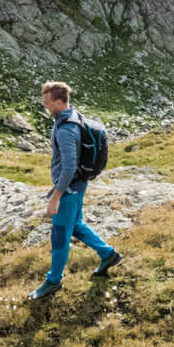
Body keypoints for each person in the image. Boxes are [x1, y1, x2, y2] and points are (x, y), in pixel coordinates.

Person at [28, 81, 121, 300]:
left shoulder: (66, 130)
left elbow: (69, 167)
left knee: (60, 235)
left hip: (69, 189)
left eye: (48, 102)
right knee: (76, 226)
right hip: (78, 185)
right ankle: (108, 254)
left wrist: (56, 196)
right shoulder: (72, 116)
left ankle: (53, 281)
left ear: (60, 102)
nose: (45, 106)